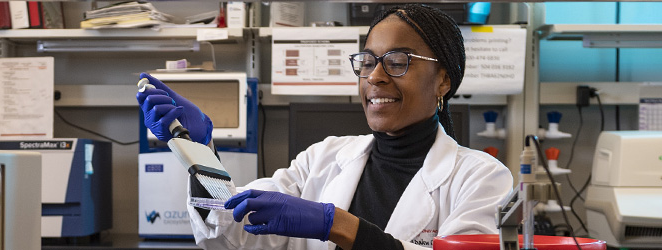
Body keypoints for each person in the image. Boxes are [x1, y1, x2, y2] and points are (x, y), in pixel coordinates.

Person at [136, 4, 513, 250]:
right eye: (367, 61)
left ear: (443, 81)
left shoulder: (481, 178)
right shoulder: (324, 157)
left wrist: (340, 226)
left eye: (398, 61)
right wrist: (200, 153)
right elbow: (229, 233)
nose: (375, 76)